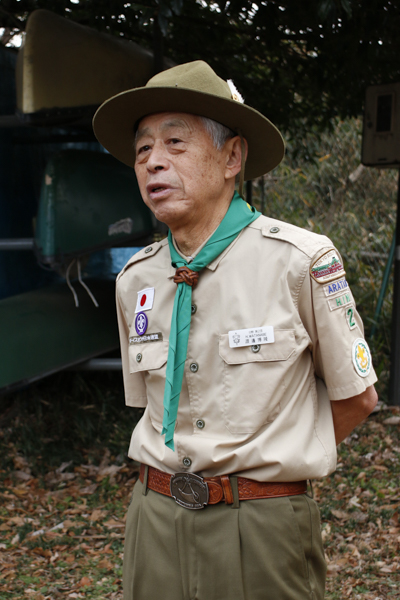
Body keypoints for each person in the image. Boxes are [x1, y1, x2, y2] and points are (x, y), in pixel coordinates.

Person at [93, 60, 378, 600]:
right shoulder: (137, 279)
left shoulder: (300, 261)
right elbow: (151, 408)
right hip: (153, 517)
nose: (154, 162)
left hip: (261, 526)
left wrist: (269, 467)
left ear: (232, 157)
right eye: (142, 150)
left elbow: (356, 398)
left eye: (175, 143)